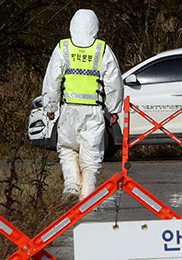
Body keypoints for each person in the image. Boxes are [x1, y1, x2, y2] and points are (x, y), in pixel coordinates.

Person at [42, 9, 124, 203]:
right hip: (93, 111)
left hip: (68, 110)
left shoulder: (63, 48)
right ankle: (87, 198)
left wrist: (50, 107)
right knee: (92, 157)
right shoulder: (102, 49)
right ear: (95, 27)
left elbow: (52, 80)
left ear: (72, 26)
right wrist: (114, 108)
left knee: (67, 149)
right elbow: (114, 81)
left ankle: (70, 185)